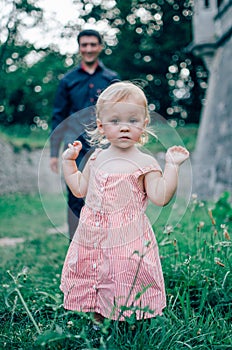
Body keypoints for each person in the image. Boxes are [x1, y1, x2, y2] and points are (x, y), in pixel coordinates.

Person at [60, 81, 189, 323]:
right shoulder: (96, 157)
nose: (124, 128)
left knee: (126, 275)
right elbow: (79, 189)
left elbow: (161, 197)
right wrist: (69, 163)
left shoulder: (145, 163)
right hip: (93, 233)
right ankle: (99, 321)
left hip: (127, 236)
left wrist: (171, 167)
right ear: (101, 126)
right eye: (115, 121)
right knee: (95, 272)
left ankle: (129, 322)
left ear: (145, 124)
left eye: (133, 121)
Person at [50, 29, 120, 239]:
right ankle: (76, 245)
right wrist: (55, 153)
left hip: (105, 146)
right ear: (79, 48)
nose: (88, 49)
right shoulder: (67, 81)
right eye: (84, 45)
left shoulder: (112, 79)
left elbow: (121, 112)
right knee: (75, 196)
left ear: (100, 47)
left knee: (107, 194)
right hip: (75, 147)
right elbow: (58, 116)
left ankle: (106, 243)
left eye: (92, 44)